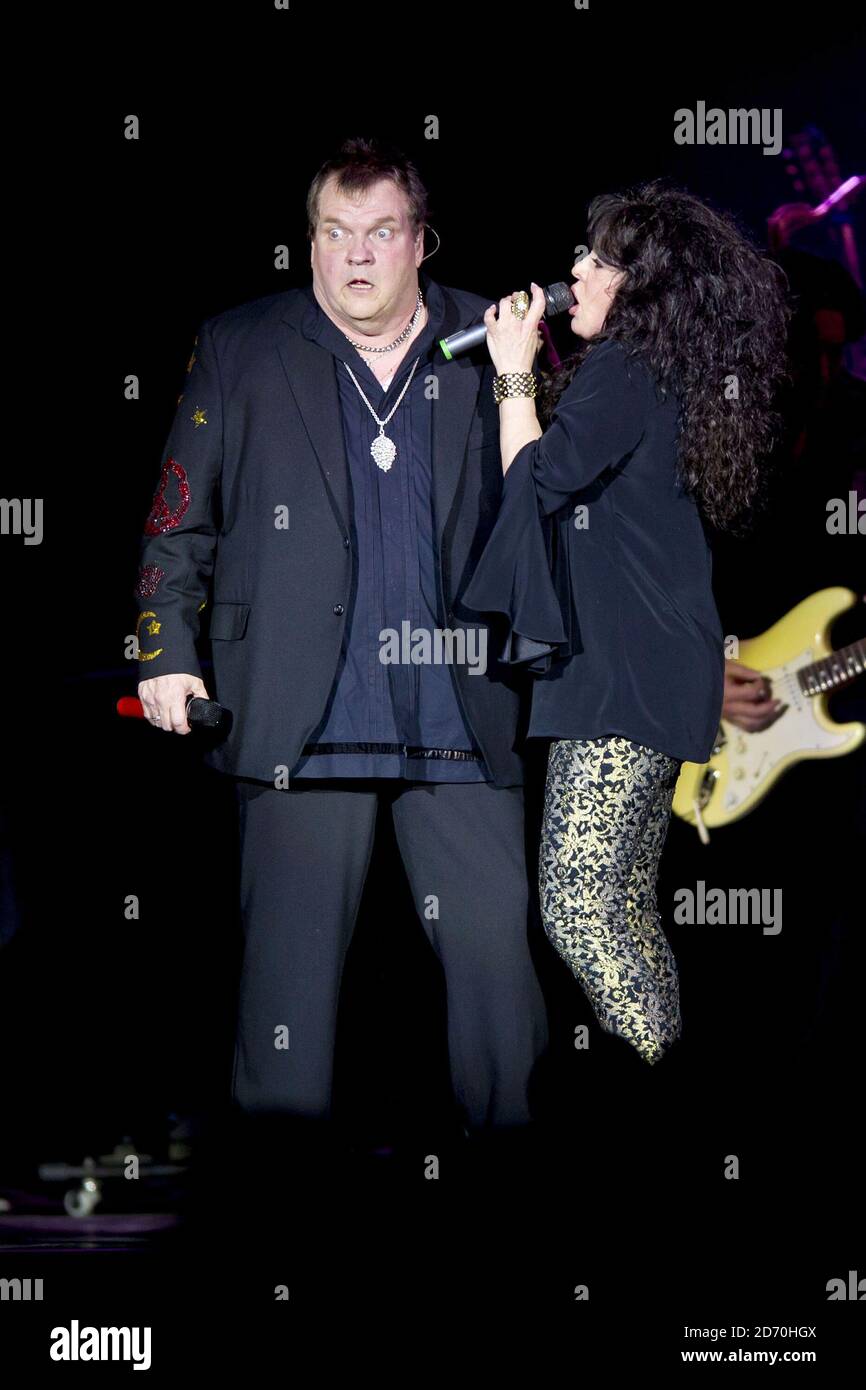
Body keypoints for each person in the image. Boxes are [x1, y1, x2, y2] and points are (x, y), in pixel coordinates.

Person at [134, 137, 548, 1140]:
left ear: (420, 242)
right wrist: (165, 653)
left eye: (378, 234)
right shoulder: (241, 342)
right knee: (285, 997)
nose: (354, 258)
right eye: (332, 234)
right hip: (296, 713)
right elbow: (174, 516)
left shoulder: (486, 336)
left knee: (498, 979)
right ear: (308, 242)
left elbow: (547, 508)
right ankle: (276, 1218)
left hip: (457, 707)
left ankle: (518, 1194)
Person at [464, 181, 790, 1064]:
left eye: (596, 262)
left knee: (576, 905)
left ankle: (658, 1096)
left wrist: (510, 373)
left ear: (637, 287)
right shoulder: (653, 372)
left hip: (623, 676)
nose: (573, 272)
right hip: (647, 669)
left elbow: (536, 482)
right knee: (625, 911)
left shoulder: (630, 367)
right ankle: (666, 1090)